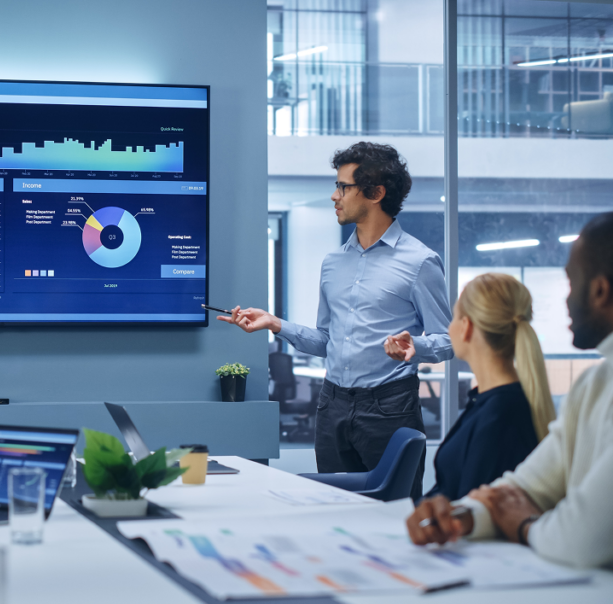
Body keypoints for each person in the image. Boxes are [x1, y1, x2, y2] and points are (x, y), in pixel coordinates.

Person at [220, 142, 452, 497]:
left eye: (343, 187)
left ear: (376, 193)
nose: (334, 196)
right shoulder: (333, 263)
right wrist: (275, 323)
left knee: (392, 512)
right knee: (332, 505)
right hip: (332, 405)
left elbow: (448, 340)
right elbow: (326, 341)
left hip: (390, 407)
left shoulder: (420, 262)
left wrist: (414, 346)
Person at [407, 212, 613, 569]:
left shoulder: (506, 411)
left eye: (570, 281)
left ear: (599, 291)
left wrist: (523, 525)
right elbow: (523, 487)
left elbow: (582, 538)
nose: (565, 301)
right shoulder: (594, 384)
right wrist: (460, 515)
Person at [423, 273, 555, 500]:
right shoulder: (493, 403)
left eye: (454, 318)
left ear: (466, 327)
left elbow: (468, 511)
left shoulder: (501, 417)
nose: (449, 328)